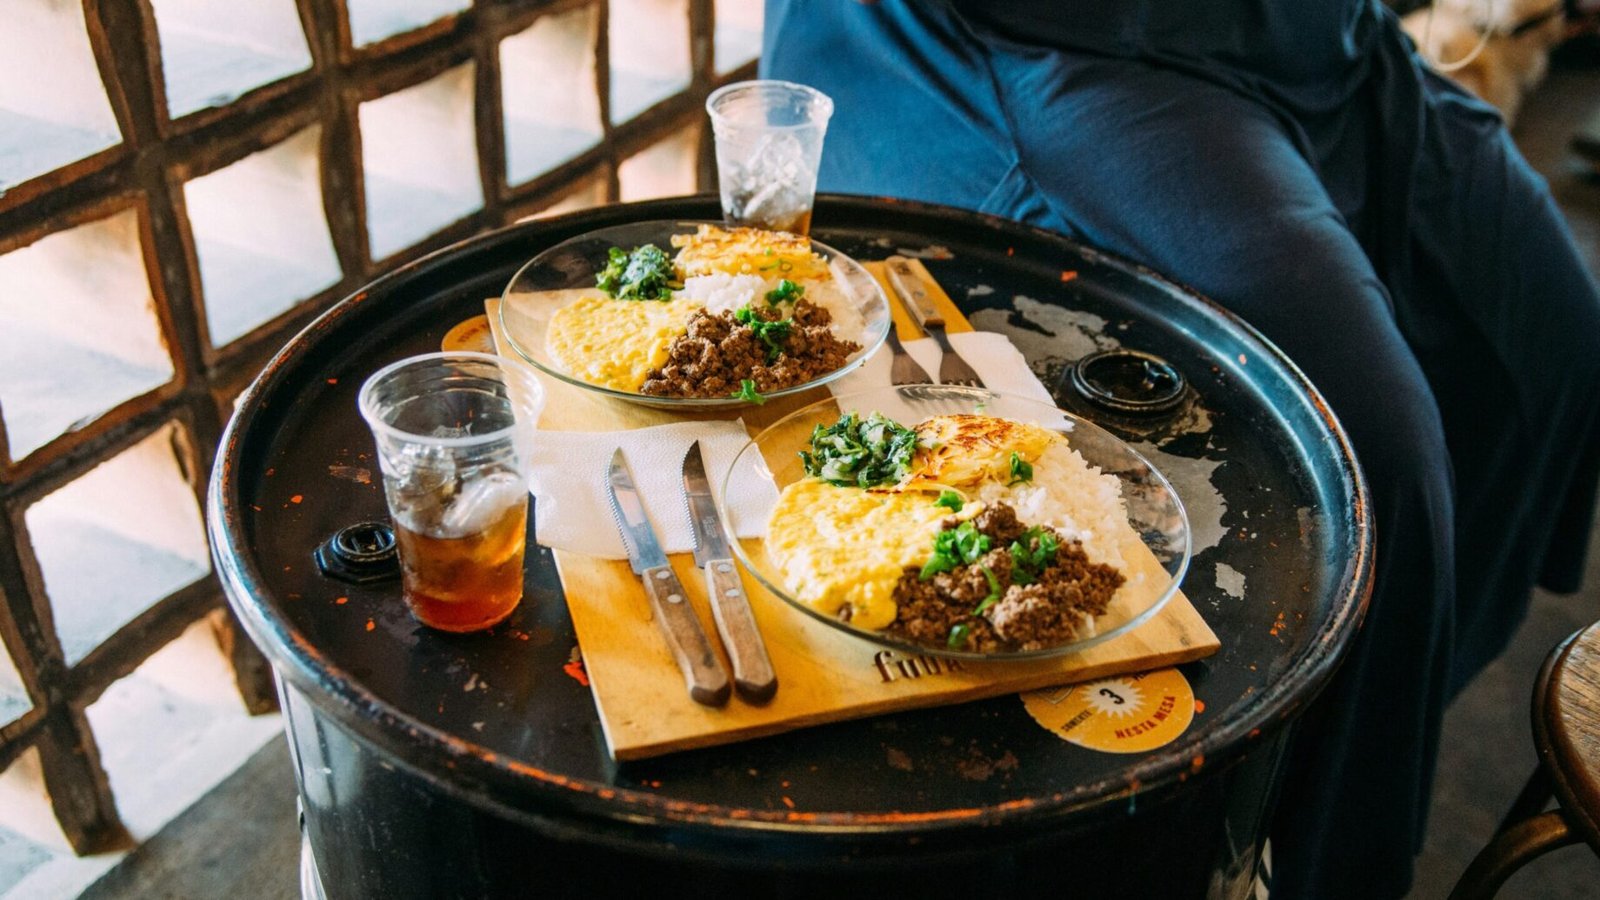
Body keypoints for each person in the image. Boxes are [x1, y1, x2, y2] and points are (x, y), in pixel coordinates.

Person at [761, 1, 1600, 897]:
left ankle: (1341, 743)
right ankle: (1297, 859)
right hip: (1059, 40)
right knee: (1373, 453)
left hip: (1312, 41)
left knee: (1562, 345)